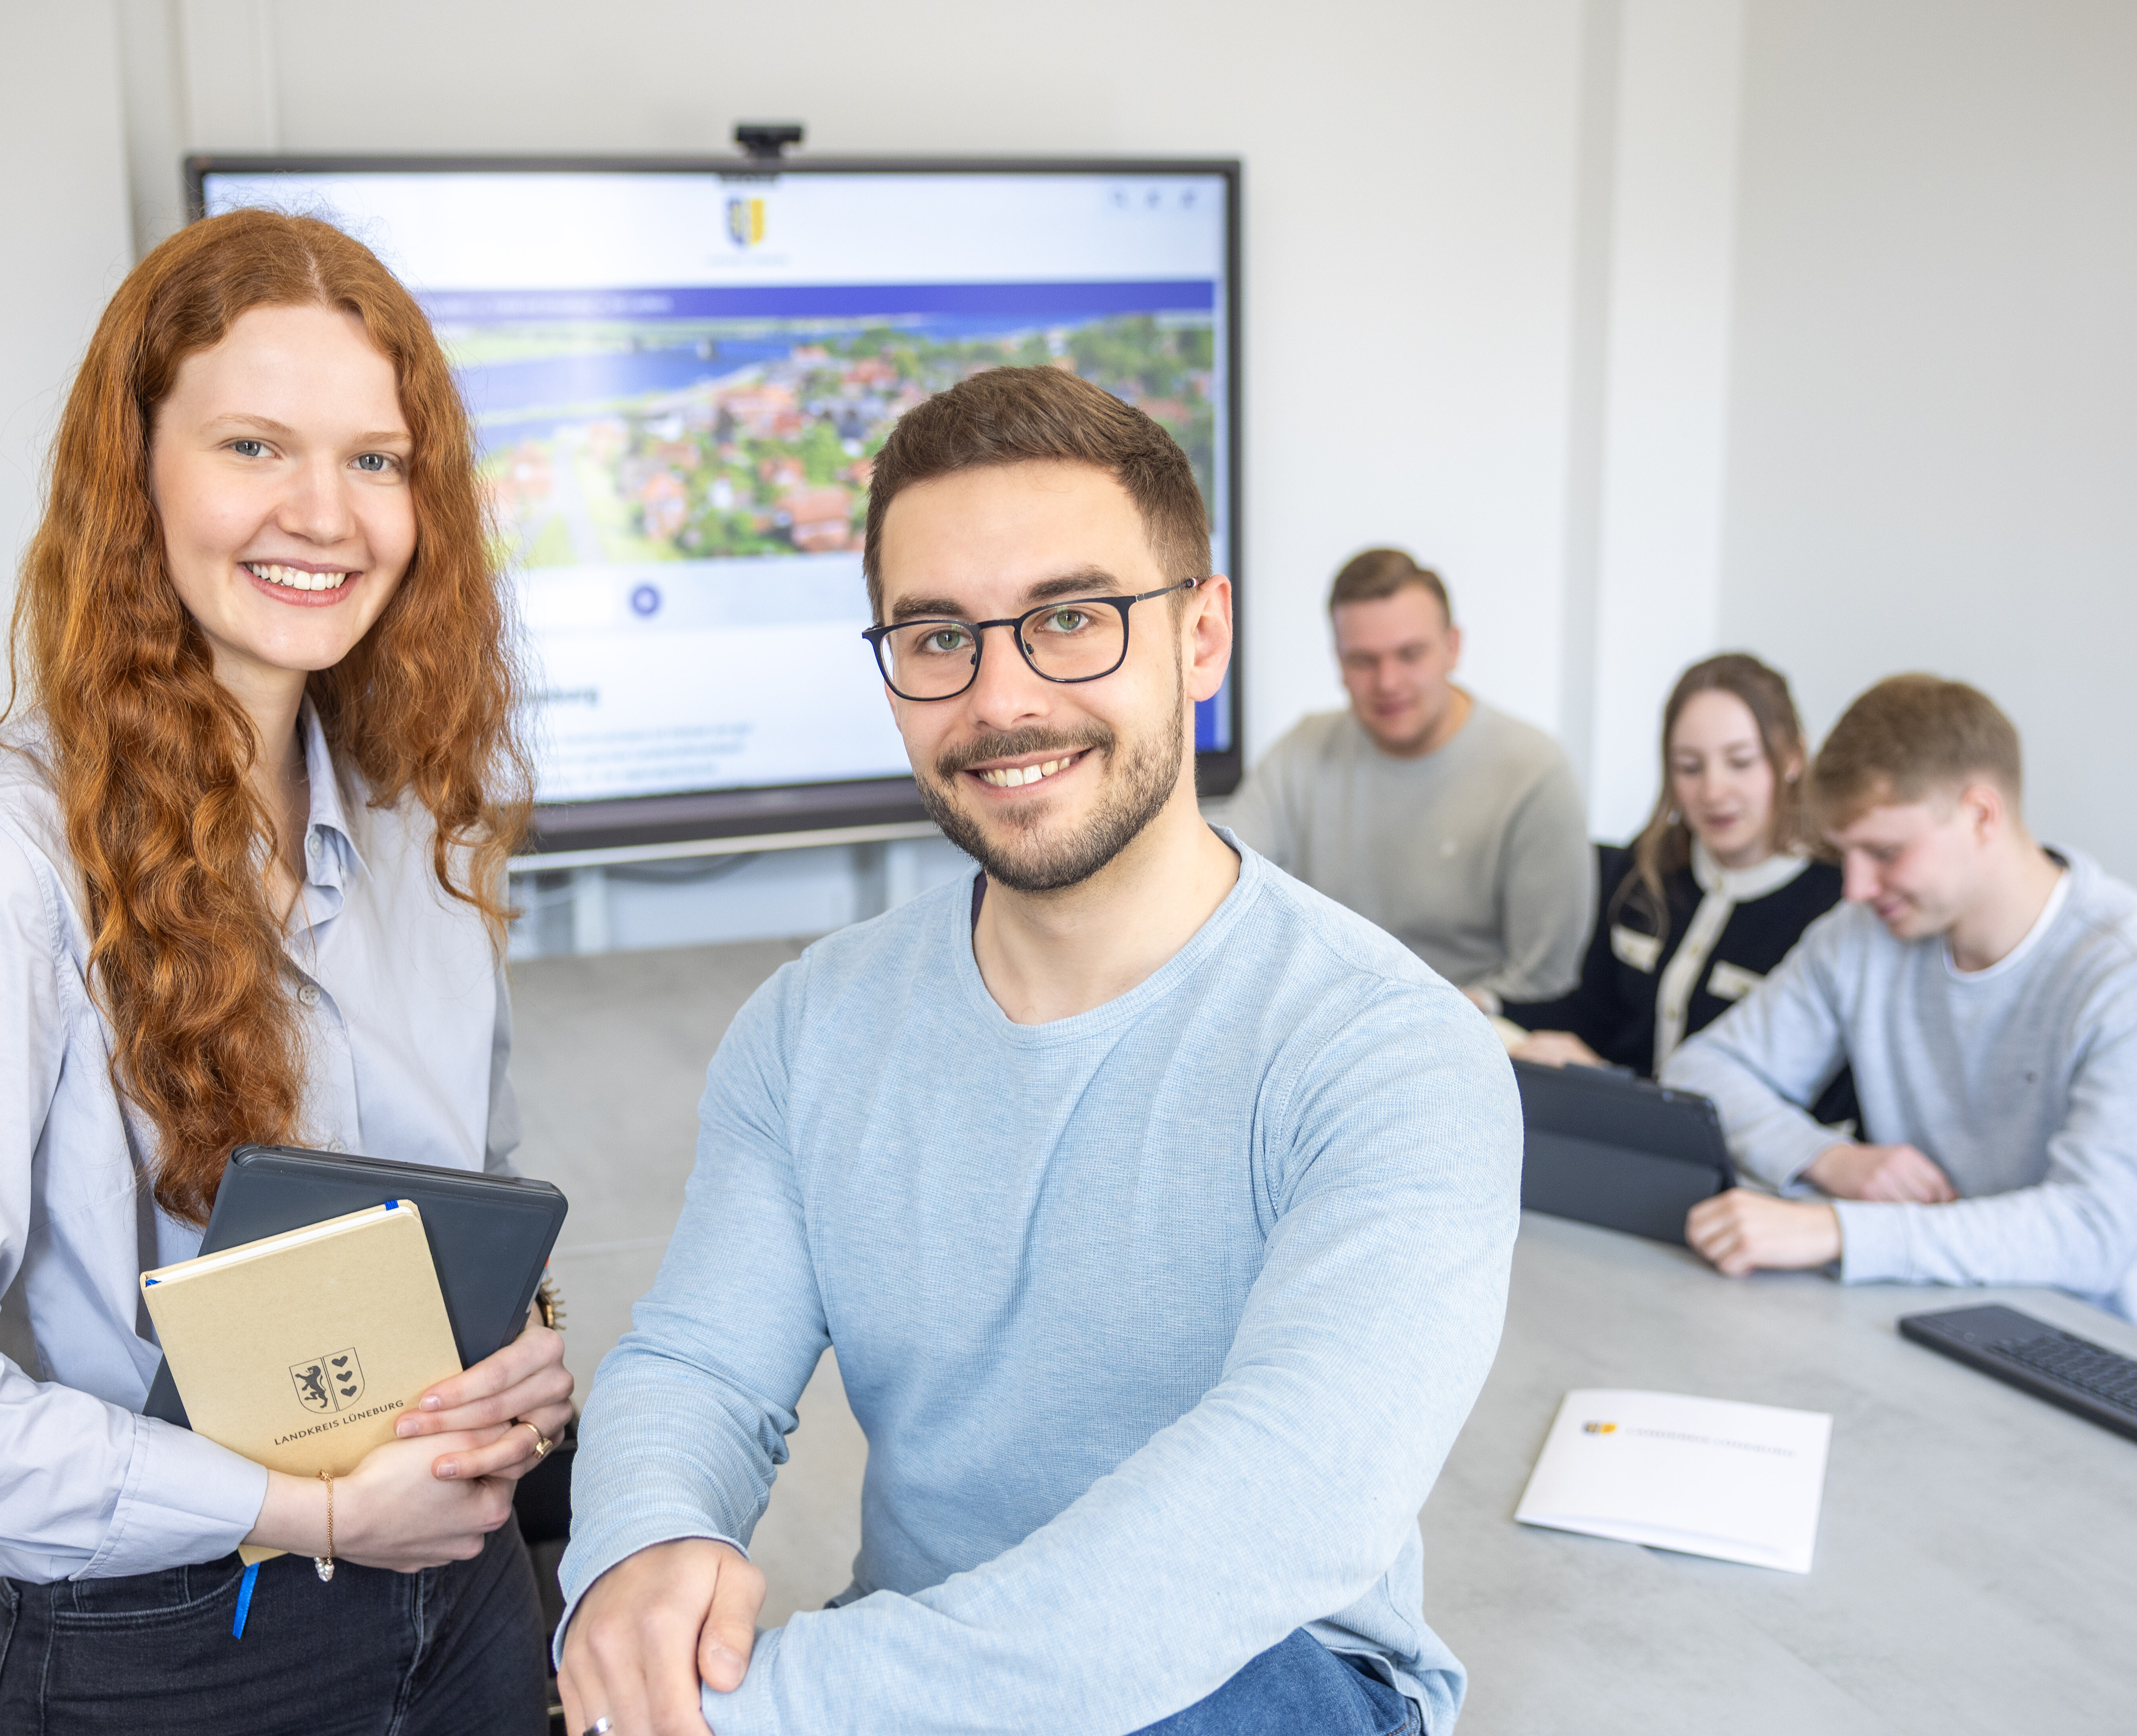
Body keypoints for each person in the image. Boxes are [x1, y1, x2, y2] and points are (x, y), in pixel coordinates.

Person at [552, 367, 1518, 1736]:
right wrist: (639, 1553)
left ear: (1201, 635)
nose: (1001, 698)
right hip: (920, 1660)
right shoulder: (810, 1024)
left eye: (1070, 617)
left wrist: (768, 1706)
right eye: (937, 635)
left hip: (1258, 1673)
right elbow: (702, 1367)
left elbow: (1275, 1509)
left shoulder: (1390, 1051)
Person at [0, 210, 574, 1734]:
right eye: (253, 447)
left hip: (467, 1585)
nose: (325, 514)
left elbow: (484, 1183)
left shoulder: (416, 816)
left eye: (375, 459)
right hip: (183, 1640)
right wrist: (315, 1511)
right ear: (133, 474)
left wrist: (522, 1350)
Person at [1664, 674, 2137, 1348]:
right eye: (1844, 854)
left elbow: (2091, 1234)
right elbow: (1701, 1068)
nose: (1855, 886)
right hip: (1938, 1317)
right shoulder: (1864, 935)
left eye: (1884, 852)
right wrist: (1828, 1159)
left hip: (2128, 1356)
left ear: (1981, 816)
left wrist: (1839, 1229)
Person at [1234, 548, 1594, 1014]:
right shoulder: (1301, 752)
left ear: (1454, 647)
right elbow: (1222, 883)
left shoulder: (1533, 773)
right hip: (1321, 1026)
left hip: (1470, 1038)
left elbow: (1547, 985)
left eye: (1410, 654)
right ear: (1338, 662)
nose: (1388, 682)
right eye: (1363, 661)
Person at [1503, 654, 1844, 1083]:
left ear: (1793, 757)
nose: (1714, 791)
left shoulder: (1835, 902)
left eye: (1740, 762)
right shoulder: (1646, 866)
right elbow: (1593, 1011)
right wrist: (1488, 1008)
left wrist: (1612, 1083)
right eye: (1689, 767)